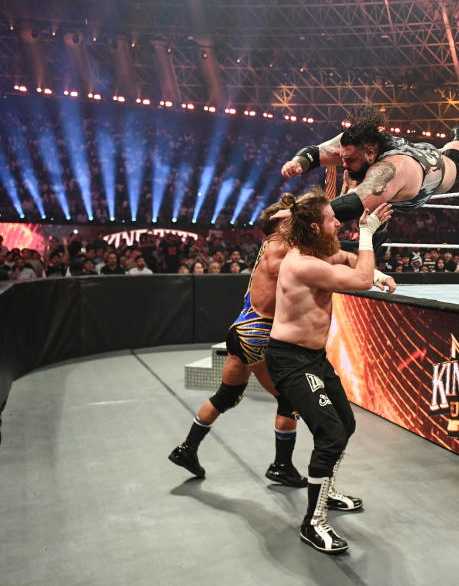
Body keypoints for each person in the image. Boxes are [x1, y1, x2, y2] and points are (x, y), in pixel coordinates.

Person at [168, 193, 397, 488]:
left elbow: (337, 256)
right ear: (279, 223)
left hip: (242, 329)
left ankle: (187, 448)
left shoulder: (277, 247)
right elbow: (331, 259)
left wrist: (372, 269)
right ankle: (281, 465)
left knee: (226, 396)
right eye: (291, 218)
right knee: (289, 400)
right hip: (260, 334)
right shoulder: (284, 251)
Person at [266, 190, 392, 554]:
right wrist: (367, 233)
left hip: (312, 357)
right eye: (332, 218)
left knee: (345, 425)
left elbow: (349, 260)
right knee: (331, 434)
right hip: (290, 359)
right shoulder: (303, 264)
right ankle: (313, 522)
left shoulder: (317, 253)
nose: (339, 222)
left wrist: (375, 268)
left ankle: (327, 490)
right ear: (315, 226)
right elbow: (359, 280)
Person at [279, 105, 459, 225]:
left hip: (435, 168)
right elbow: (314, 152)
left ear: (370, 152)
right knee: (366, 194)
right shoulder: (356, 141)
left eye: (350, 160)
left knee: (456, 154)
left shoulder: (390, 170)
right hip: (412, 152)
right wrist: (298, 164)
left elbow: (352, 206)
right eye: (343, 158)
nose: (343, 165)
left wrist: (297, 213)